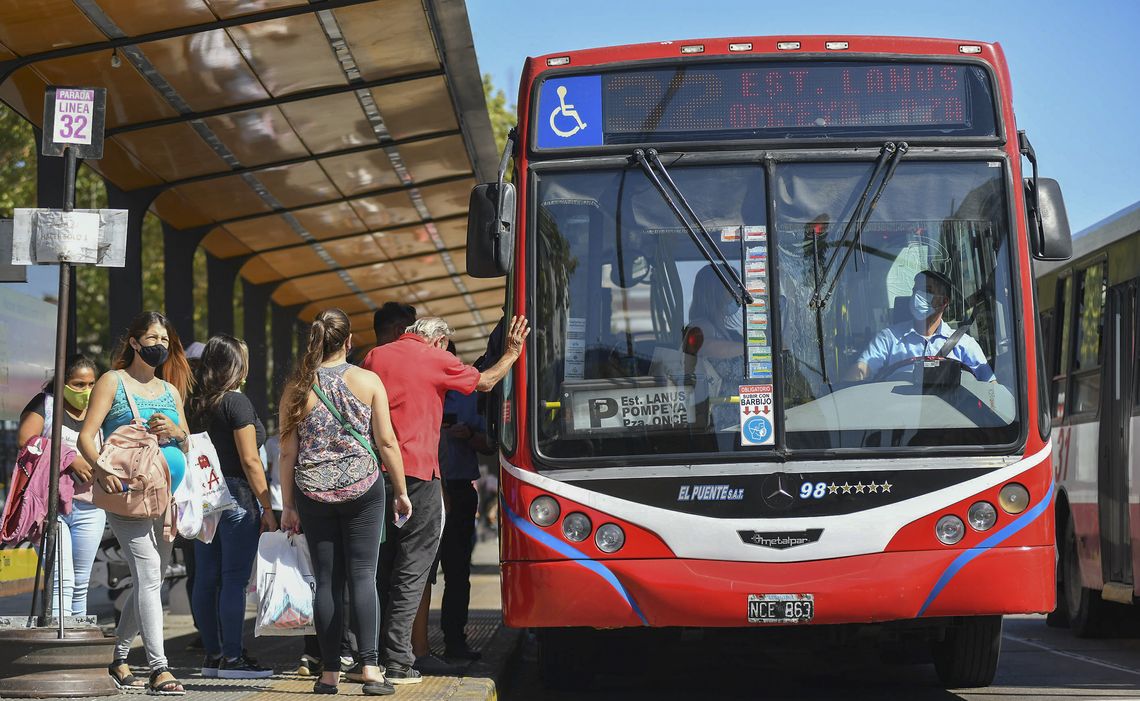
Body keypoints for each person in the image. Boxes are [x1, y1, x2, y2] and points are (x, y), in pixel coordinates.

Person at [361, 315, 529, 684]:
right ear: (438, 341)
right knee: (414, 569)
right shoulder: (435, 357)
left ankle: (368, 657)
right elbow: (486, 381)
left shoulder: (375, 356)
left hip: (375, 476)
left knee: (376, 569)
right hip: (418, 475)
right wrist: (512, 354)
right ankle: (400, 660)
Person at [278, 308, 413, 696]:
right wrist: (401, 491)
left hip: (312, 491)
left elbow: (287, 452)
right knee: (363, 576)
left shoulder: (297, 387)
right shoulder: (368, 381)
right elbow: (387, 441)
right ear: (349, 342)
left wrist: (288, 504)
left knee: (327, 582)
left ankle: (329, 675)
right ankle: (370, 668)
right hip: (364, 489)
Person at [78, 311, 193, 695]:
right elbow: (87, 436)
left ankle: (119, 658)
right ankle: (160, 668)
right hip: (126, 496)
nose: (159, 346)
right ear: (134, 342)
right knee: (148, 575)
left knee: (151, 578)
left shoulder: (170, 391)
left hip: (165, 497)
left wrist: (175, 431)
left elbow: (186, 442)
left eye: (165, 340)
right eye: (152, 339)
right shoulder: (113, 381)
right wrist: (100, 468)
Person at [186, 335, 276, 679]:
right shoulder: (236, 402)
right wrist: (267, 507)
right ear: (236, 364)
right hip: (236, 495)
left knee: (206, 577)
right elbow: (250, 460)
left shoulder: (196, 404)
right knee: (234, 580)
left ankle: (213, 656)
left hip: (205, 498)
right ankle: (234, 659)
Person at [17, 354, 103, 619]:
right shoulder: (46, 404)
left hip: (91, 507)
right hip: (50, 507)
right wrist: (69, 458)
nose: (86, 390)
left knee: (81, 582)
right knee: (61, 580)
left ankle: (78, 636)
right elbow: (26, 442)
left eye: (91, 384)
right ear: (63, 383)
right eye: (78, 384)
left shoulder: (99, 409)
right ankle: (59, 637)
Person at [436, 343, 492, 661]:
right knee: (411, 573)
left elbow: (489, 443)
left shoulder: (469, 395)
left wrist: (469, 434)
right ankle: (404, 646)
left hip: (458, 491)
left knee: (457, 572)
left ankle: (455, 640)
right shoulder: (415, 391)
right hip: (421, 490)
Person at [845, 270, 994, 382]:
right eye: (916, 290)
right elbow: (862, 368)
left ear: (944, 302)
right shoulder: (889, 339)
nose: (918, 295)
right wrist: (850, 381)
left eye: (927, 291)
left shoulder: (964, 344)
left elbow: (991, 387)